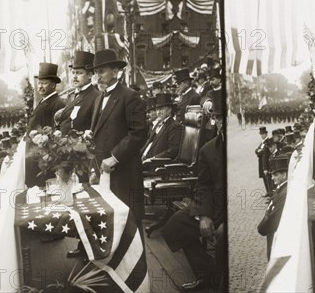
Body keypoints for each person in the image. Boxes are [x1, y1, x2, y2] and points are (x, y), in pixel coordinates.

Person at [162, 89, 226, 292]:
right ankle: (206, 273)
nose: (222, 123)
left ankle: (223, 280)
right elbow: (203, 185)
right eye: (218, 118)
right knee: (175, 225)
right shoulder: (208, 149)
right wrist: (203, 214)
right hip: (213, 208)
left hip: (230, 211)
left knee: (225, 238)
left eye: (224, 117)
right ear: (214, 120)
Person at [90, 49, 147, 225]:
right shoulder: (100, 98)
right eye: (95, 72)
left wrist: (114, 158)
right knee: (110, 223)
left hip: (125, 172)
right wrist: (95, 168)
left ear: (115, 72)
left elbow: (138, 133)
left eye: (102, 71)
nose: (97, 76)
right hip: (104, 172)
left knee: (129, 223)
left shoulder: (130, 96)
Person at [25, 63, 66, 187]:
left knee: (45, 190)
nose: (40, 86)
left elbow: (57, 134)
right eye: (39, 83)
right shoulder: (44, 101)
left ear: (53, 85)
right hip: (35, 156)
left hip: (44, 160)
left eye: (44, 83)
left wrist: (46, 156)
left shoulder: (58, 104)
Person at [57, 51, 100, 136]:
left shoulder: (96, 97)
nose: (74, 77)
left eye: (79, 73)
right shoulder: (71, 95)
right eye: (73, 73)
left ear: (90, 75)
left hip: (80, 145)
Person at [257, 153, 290, 259]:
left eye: (275, 175)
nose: (272, 178)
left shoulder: (284, 193)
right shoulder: (281, 188)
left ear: (284, 175)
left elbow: (274, 218)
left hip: (277, 236)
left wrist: (261, 228)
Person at [141, 93, 183, 161]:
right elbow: (149, 142)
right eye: (157, 109)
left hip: (157, 165)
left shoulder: (174, 126)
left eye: (161, 109)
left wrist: (153, 159)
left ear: (169, 110)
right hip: (145, 160)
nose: (158, 112)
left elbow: (173, 151)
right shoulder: (157, 124)